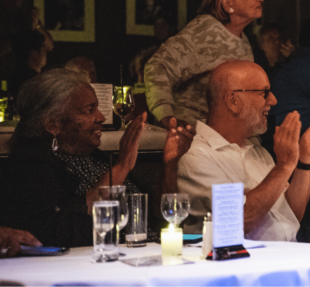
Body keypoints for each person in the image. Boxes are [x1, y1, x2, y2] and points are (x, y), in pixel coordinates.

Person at [0, 69, 192, 247]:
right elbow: (57, 233)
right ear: (53, 124)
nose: (101, 117)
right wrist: (122, 167)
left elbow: (164, 219)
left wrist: (170, 164)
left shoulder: (95, 157)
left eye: (98, 108)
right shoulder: (30, 167)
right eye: (89, 110)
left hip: (147, 255)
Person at [177, 60, 310, 239]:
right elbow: (241, 219)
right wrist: (284, 166)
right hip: (245, 257)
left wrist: (304, 160)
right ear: (233, 100)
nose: (273, 100)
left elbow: (292, 216)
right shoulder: (197, 157)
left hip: (284, 251)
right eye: (264, 93)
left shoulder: (257, 152)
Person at [144, 0, 260, 129]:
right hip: (192, 134)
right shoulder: (206, 30)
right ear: (228, 3)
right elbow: (157, 66)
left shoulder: (242, 39)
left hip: (222, 135)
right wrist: (166, 116)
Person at [8, 29, 48, 100]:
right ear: (33, 53)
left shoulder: (16, 76)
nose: (45, 52)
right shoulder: (33, 83)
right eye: (43, 47)